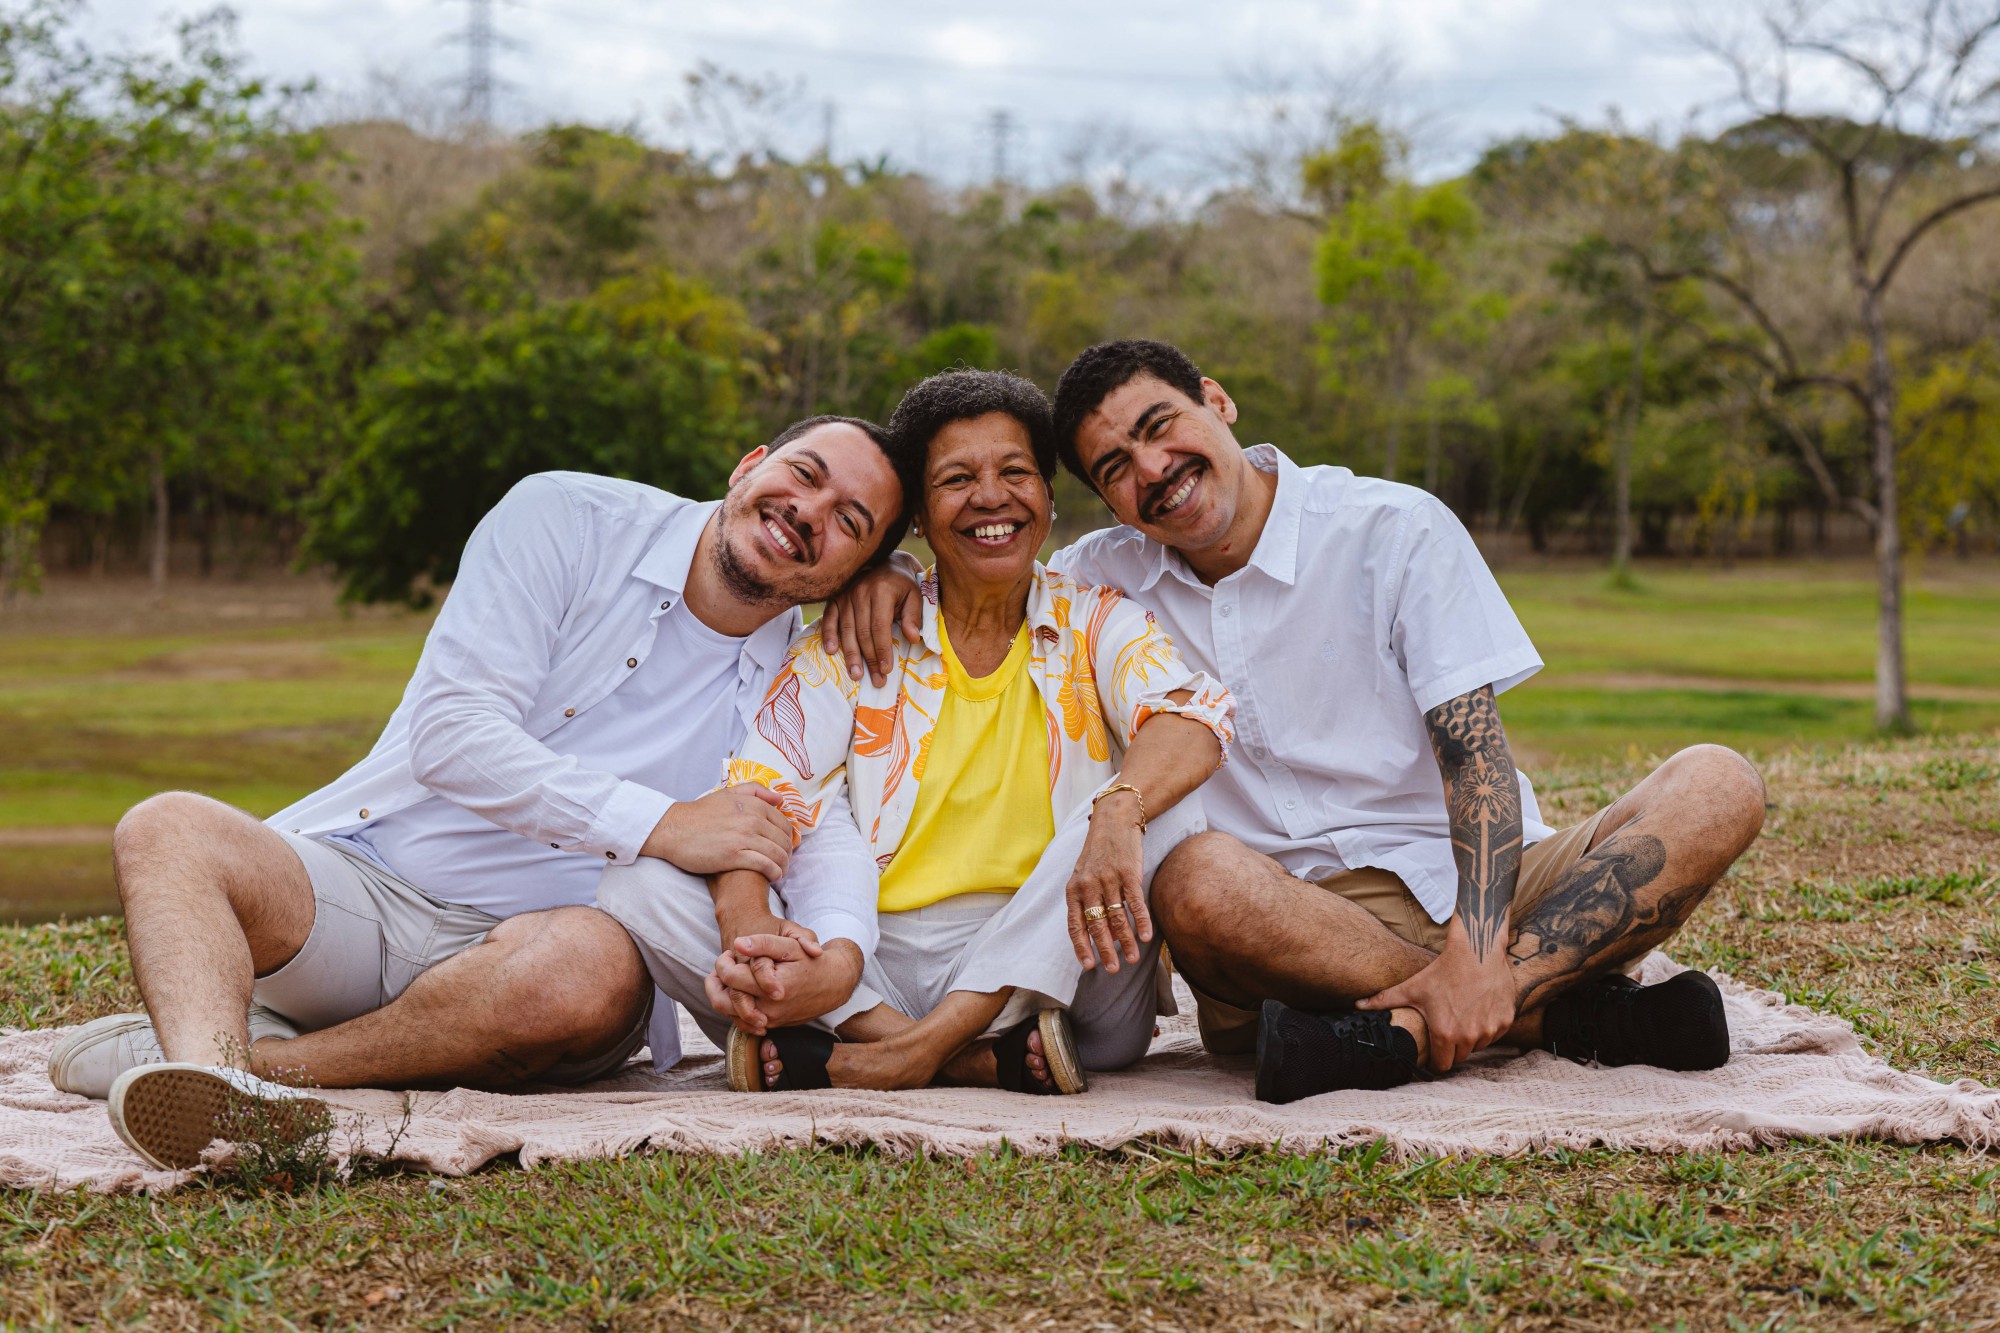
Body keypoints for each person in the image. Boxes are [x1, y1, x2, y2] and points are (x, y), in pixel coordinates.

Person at [822, 340, 1768, 1104]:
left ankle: (1429, 1024)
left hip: (1490, 882)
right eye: (1116, 467)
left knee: (1719, 782)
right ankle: (1560, 1011)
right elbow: (983, 557)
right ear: (1106, 502)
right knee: (1193, 877)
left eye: (1159, 426)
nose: (1152, 469)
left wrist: (1480, 952)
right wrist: (889, 571)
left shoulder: (1391, 527)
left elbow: (1473, 752)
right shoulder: (1098, 580)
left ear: (1217, 401)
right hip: (1280, 929)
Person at [51, 416, 914, 1169]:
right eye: (804, 473)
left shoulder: (806, 675)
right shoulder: (567, 517)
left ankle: (240, 1073)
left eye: (851, 522)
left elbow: (821, 828)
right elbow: (452, 733)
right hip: (367, 887)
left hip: (545, 963)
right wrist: (661, 823)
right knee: (167, 826)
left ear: (856, 571)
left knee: (588, 969)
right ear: (749, 464)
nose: (810, 512)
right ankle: (218, 1073)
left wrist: (837, 952)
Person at [601, 369, 1233, 1093]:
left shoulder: (1098, 620)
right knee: (637, 880)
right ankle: (954, 1055)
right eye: (957, 479)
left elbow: (1191, 716)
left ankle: (883, 1055)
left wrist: (1119, 811)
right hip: (873, 963)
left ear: (1048, 498)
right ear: (921, 523)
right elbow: (760, 793)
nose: (991, 497)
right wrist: (754, 933)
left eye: (1016, 473)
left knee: (1160, 798)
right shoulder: (857, 637)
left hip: (1062, 969)